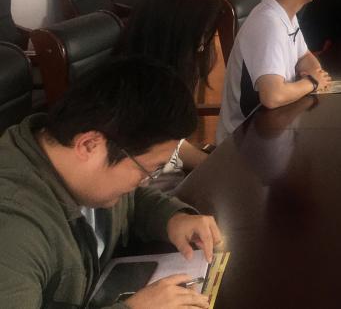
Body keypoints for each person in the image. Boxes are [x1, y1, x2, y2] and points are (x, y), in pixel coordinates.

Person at [0, 57, 222, 308]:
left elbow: (131, 200)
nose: (144, 182)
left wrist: (172, 218)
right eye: (146, 171)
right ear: (89, 145)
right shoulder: (13, 229)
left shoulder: (83, 171)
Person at [217, 0, 331, 143]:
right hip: (245, 143)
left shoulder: (285, 12)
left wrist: (315, 73)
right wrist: (313, 82)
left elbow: (304, 56)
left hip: (274, 127)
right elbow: (272, 96)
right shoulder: (268, 25)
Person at [116, 0, 222, 173]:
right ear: (175, 33)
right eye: (200, 35)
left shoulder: (158, 74)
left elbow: (169, 142)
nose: (202, 46)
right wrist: (209, 165)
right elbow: (153, 157)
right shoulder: (130, 90)